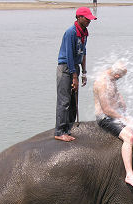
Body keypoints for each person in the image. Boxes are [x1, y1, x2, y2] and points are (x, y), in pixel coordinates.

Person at [93, 61, 133, 189]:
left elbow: (116, 95)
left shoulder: (111, 78)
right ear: (116, 74)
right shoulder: (102, 83)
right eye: (120, 77)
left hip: (116, 115)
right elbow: (106, 110)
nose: (119, 79)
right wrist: (125, 119)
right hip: (105, 118)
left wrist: (123, 106)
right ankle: (129, 175)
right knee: (129, 137)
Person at [55, 7, 97, 142]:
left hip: (75, 68)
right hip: (66, 68)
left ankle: (68, 127)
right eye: (87, 18)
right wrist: (74, 77)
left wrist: (84, 73)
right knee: (64, 101)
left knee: (74, 101)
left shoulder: (84, 33)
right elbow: (68, 56)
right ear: (79, 17)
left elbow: (83, 53)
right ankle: (60, 131)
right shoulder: (71, 33)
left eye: (90, 19)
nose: (89, 21)